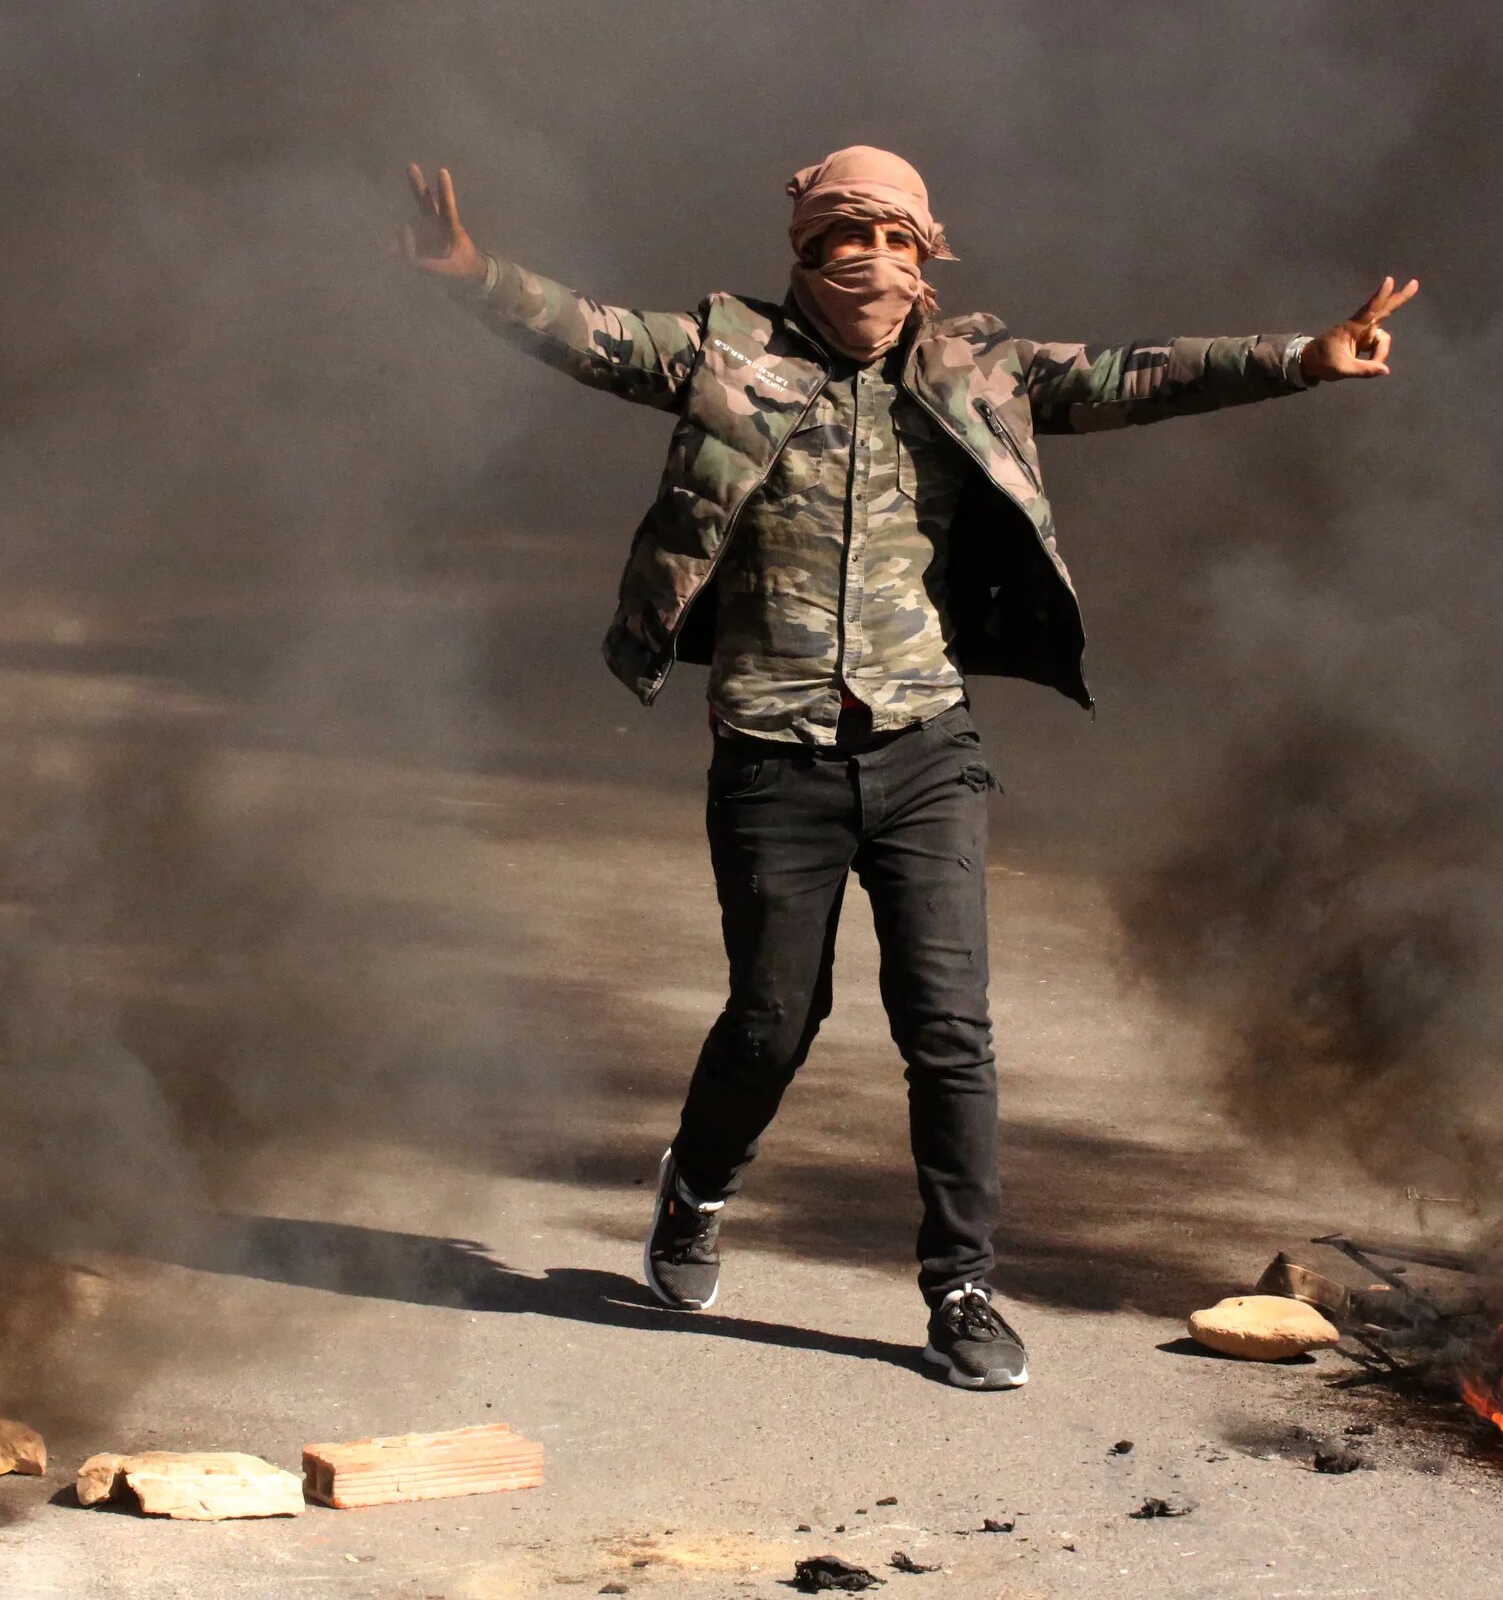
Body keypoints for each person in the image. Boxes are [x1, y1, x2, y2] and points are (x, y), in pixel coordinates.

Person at [404, 147, 1415, 1389]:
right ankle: (697, 1186)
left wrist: (1304, 358)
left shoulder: (978, 370)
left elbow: (1135, 375)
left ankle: (963, 1286)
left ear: (930, 255)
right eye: (845, 239)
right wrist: (466, 272)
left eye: (895, 240)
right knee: (774, 1019)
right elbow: (587, 334)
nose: (870, 263)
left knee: (948, 1028)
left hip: (926, 746)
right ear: (803, 253)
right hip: (774, 757)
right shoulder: (727, 354)